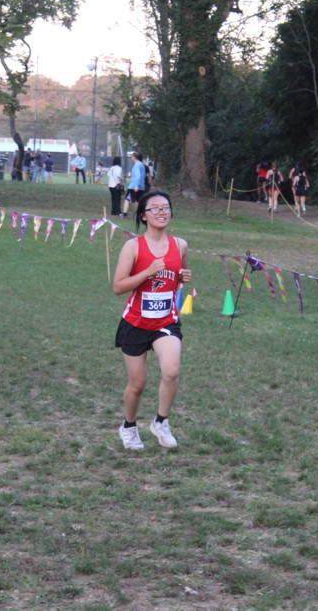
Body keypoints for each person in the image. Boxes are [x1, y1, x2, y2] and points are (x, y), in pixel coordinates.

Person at [113, 190, 192, 450]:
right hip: (135, 323)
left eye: (166, 207)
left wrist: (183, 278)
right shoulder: (133, 246)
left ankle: (161, 422)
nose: (161, 212)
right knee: (138, 384)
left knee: (171, 371)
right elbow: (118, 286)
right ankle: (129, 426)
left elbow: (179, 276)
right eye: (155, 208)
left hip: (165, 321)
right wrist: (147, 271)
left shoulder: (180, 245)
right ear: (144, 216)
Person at [121, 151, 147, 218]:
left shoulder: (137, 165)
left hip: (134, 186)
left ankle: (125, 214)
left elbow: (138, 176)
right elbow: (143, 176)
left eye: (132, 156)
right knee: (137, 200)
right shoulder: (142, 165)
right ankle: (137, 214)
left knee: (127, 199)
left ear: (135, 157)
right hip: (141, 186)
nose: (131, 157)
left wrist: (136, 186)